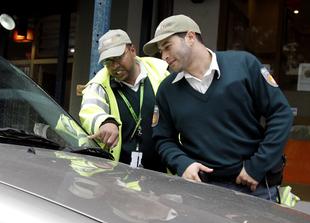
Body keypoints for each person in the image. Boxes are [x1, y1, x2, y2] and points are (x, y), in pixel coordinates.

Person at [143, 15, 293, 201]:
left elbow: (281, 114)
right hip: (201, 191)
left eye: (167, 46)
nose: (164, 56)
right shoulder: (167, 89)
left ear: (190, 37)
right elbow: (163, 139)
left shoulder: (243, 65)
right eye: (160, 51)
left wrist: (257, 166)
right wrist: (183, 164)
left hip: (255, 186)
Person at [79, 29, 170, 172]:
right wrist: (104, 122)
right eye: (108, 62)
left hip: (163, 172)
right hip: (118, 174)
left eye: (118, 57)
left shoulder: (161, 72)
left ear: (132, 50)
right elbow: (90, 109)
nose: (114, 66)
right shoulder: (99, 84)